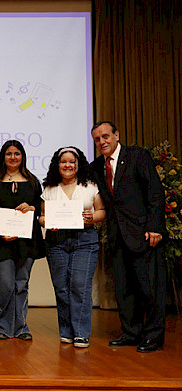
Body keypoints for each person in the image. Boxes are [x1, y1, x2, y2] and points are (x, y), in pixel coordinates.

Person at [90, 121, 166, 353]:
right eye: (97, 139)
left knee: (149, 287)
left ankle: (153, 335)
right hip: (117, 236)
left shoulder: (137, 156)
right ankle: (131, 332)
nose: (102, 142)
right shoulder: (96, 167)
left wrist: (155, 227)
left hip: (143, 233)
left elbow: (155, 192)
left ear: (116, 135)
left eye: (105, 136)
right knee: (124, 288)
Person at [39, 147, 105, 348]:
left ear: (78, 164)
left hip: (85, 240)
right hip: (56, 242)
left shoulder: (90, 187)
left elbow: (102, 211)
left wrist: (92, 218)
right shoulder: (49, 189)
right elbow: (41, 217)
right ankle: (66, 331)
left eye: (72, 162)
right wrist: (48, 221)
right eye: (63, 162)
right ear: (57, 165)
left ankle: (81, 333)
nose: (67, 165)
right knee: (61, 287)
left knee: (79, 286)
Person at [0, 140, 45, 341]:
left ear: (23, 156)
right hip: (2, 241)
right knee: (6, 284)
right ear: (3, 157)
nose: (13, 157)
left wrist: (32, 207)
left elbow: (40, 205)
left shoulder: (33, 181)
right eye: (9, 154)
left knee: (22, 284)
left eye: (17, 153)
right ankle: (2, 326)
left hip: (27, 241)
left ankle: (20, 327)